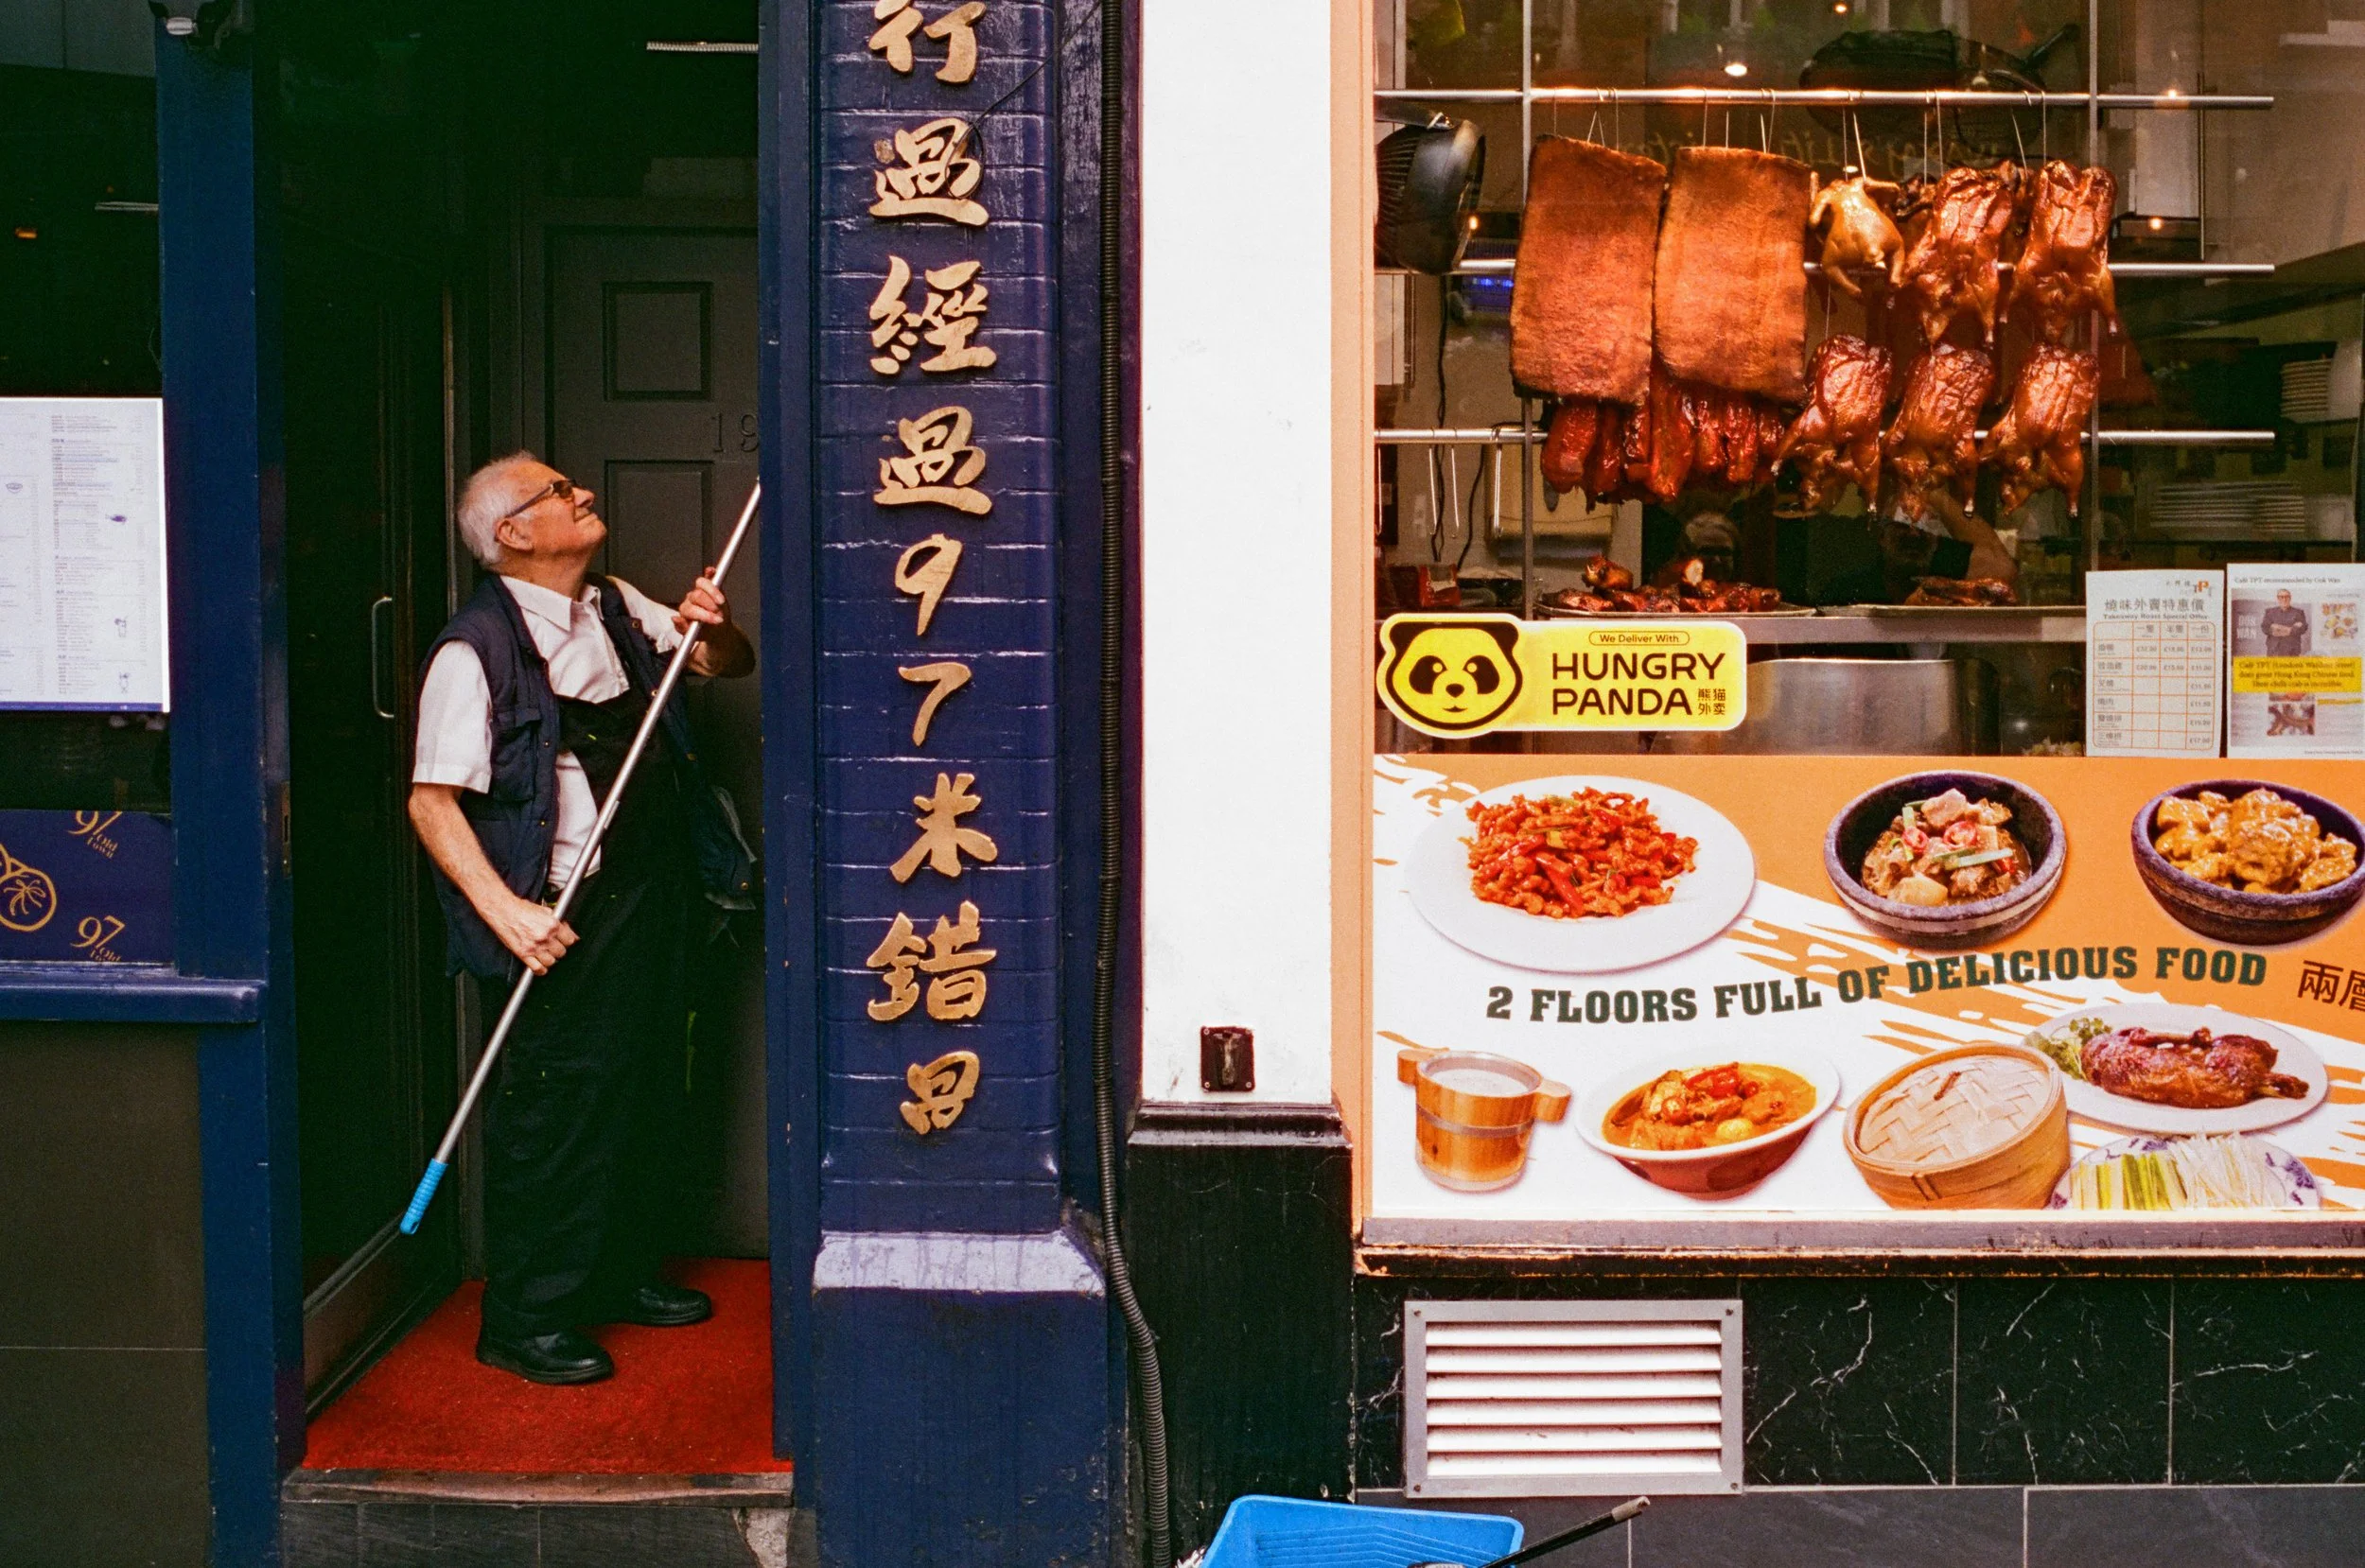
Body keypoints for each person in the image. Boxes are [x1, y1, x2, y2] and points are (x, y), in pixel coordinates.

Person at [410, 454, 755, 1385]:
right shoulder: (470, 651)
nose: (581, 495)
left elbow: (722, 663)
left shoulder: (614, 604)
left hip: (652, 888)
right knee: (560, 1107)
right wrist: (508, 913)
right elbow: (432, 802)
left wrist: (708, 631)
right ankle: (527, 1315)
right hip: (559, 911)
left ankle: (618, 1272)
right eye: (558, 492)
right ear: (513, 534)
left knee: (645, 1084)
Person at [2261, 588, 2311, 657]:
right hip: (2274, 651)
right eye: (2281, 597)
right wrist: (2290, 629)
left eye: (2286, 597)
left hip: (2292, 652)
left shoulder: (2299, 612)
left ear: (2290, 598)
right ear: (2278, 598)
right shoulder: (2270, 612)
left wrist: (2277, 628)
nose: (2284, 599)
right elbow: (2265, 628)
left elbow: (2303, 629)